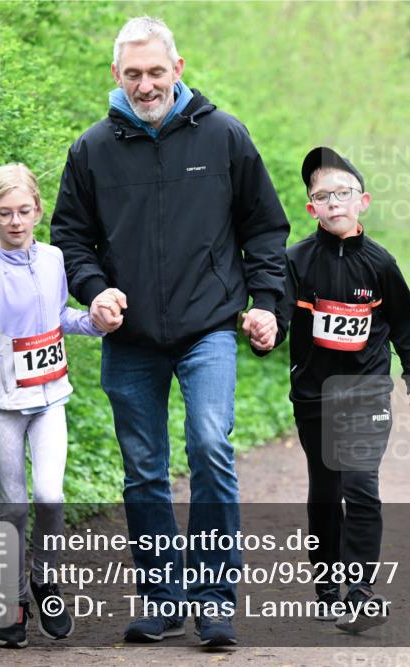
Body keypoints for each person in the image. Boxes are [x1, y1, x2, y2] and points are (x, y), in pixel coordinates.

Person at [50, 16, 289, 646]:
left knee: (210, 445)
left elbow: (264, 229)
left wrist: (267, 303)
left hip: (208, 324)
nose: (146, 84)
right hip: (129, 336)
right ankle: (162, 595)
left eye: (157, 71)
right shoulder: (92, 149)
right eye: (134, 73)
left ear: (177, 69)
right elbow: (70, 238)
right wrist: (95, 291)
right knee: (143, 468)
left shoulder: (225, 136)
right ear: (116, 75)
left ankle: (214, 598)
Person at [267, 147, 410, 633]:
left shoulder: (381, 262)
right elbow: (276, 317)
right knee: (325, 489)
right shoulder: (294, 261)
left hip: (366, 390)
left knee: (360, 486)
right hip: (314, 395)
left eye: (344, 193)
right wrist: (264, 333)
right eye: (323, 195)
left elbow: (404, 323)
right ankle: (326, 587)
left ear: (363, 201)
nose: (334, 202)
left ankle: (360, 592)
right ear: (310, 208)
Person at [0, 163, 109, 648]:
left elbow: (60, 318)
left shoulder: (55, 259)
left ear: (38, 210)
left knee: (50, 496)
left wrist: (96, 324)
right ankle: (15, 601)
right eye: (4, 213)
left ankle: (45, 579)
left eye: (23, 211)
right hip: (3, 406)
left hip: (50, 398)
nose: (15, 221)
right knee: (14, 507)